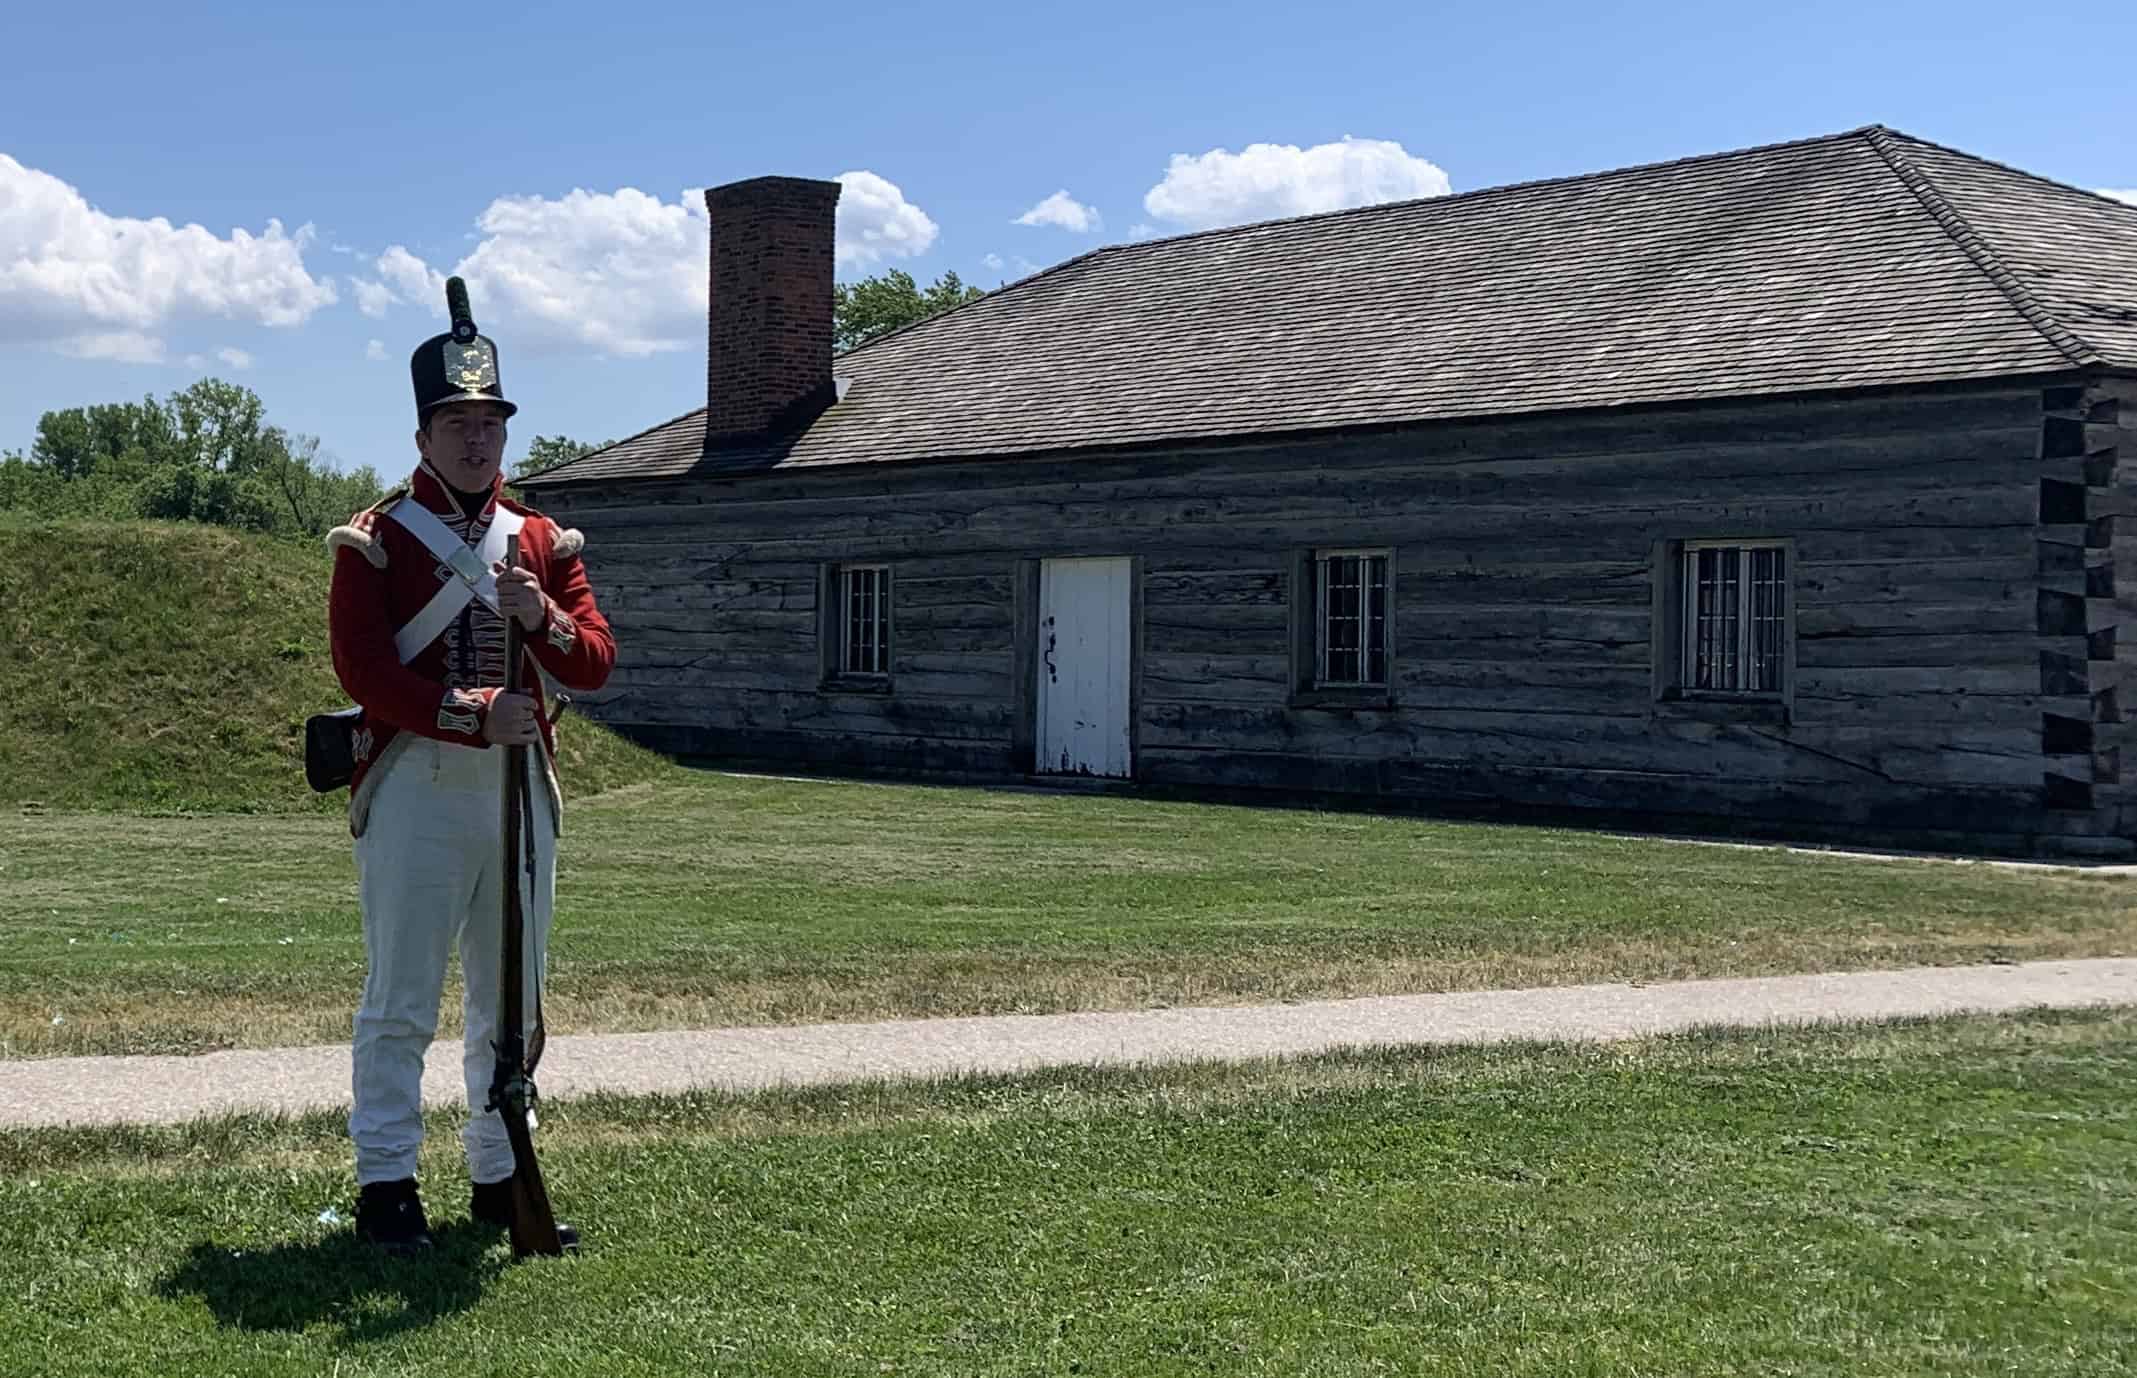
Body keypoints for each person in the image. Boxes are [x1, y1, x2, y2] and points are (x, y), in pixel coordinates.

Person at [325, 284, 616, 1253]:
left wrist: (541, 618)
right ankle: (387, 1183)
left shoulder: (538, 539)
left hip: (520, 790)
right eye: (458, 421)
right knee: (401, 995)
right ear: (423, 430)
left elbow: (596, 661)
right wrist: (469, 712)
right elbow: (362, 670)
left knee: (513, 1000)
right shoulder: (376, 538)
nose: (476, 439)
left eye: (488, 421)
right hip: (414, 781)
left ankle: (500, 1172)